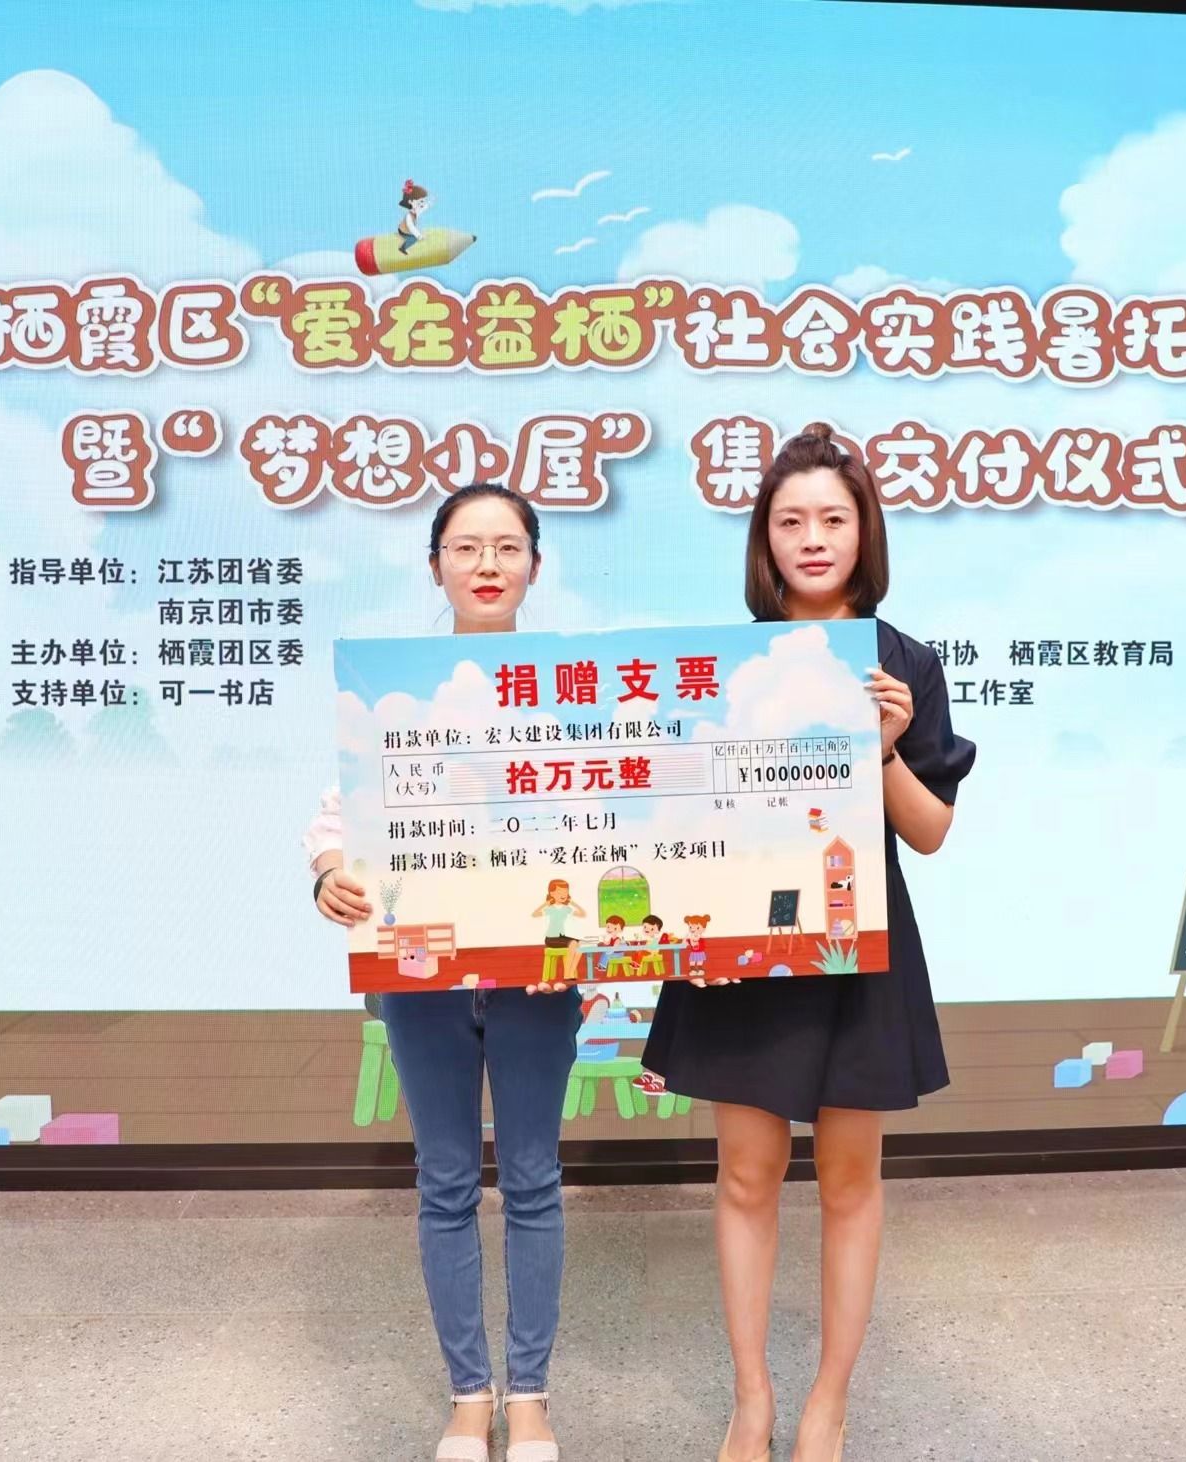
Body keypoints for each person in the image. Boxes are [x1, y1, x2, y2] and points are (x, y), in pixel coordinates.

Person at [641, 424, 975, 1462]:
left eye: (834, 518)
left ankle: (829, 1400)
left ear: (865, 531)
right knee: (745, 1176)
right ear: (766, 539)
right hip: (743, 947)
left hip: (858, 949)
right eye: (792, 521)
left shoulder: (904, 664)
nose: (814, 538)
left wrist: (882, 750)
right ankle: (752, 1399)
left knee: (849, 1181)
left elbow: (931, 830)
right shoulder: (721, 663)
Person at [306, 483, 578, 1462]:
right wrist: (330, 873)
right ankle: (470, 1397)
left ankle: (531, 1397)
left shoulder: (574, 690)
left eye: (507, 546)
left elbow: (611, 824)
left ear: (535, 566)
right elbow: (339, 817)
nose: (487, 564)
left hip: (538, 977)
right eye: (466, 547)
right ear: (435, 567)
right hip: (420, 975)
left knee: (535, 1179)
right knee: (447, 1181)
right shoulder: (392, 691)